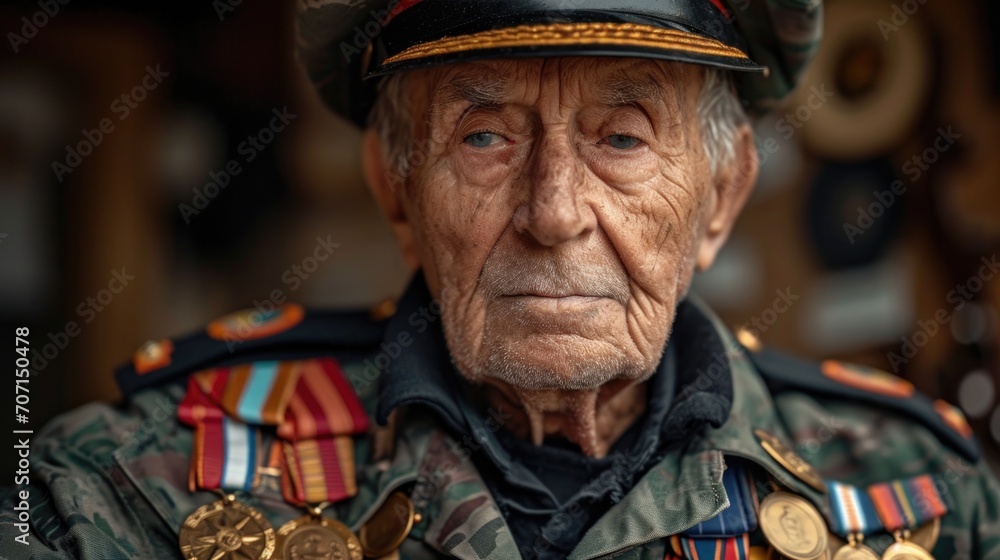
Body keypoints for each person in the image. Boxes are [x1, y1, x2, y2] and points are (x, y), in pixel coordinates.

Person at [4, 0, 999, 559]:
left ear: (721, 198)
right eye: (484, 135)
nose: (554, 209)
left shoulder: (929, 494)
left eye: (620, 136)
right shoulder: (121, 483)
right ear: (396, 188)